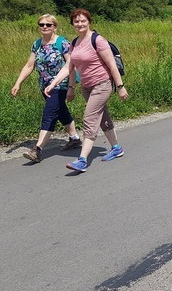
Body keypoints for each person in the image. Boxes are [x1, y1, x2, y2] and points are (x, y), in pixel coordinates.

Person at [45, 9, 128, 172]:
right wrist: (58, 84)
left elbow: (112, 65)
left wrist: (120, 87)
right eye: (76, 21)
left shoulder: (98, 40)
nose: (79, 24)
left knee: (89, 119)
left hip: (102, 84)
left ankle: (82, 160)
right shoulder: (74, 43)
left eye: (83, 21)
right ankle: (116, 148)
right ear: (72, 24)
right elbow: (70, 67)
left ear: (89, 22)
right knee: (103, 117)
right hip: (86, 87)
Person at [12, 14, 81, 163]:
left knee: (49, 113)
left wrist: (71, 87)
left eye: (48, 25)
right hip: (45, 86)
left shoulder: (62, 43)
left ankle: (37, 150)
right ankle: (74, 138)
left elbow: (71, 66)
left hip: (60, 85)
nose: (44, 27)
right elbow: (30, 65)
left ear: (55, 27)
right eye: (41, 24)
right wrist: (18, 83)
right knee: (61, 111)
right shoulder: (37, 44)